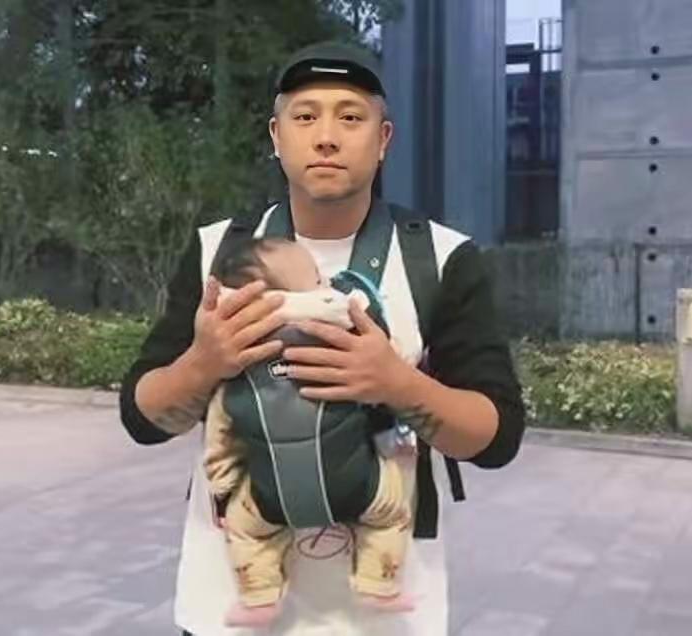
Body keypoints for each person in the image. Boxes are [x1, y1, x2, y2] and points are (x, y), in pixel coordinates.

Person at [120, 40, 525, 636]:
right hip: (227, 612)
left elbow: (497, 437)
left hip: (385, 617)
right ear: (276, 135)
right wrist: (203, 364)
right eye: (305, 116)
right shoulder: (218, 251)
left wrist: (396, 383)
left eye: (351, 117)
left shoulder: (441, 257)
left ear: (383, 139)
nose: (327, 137)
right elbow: (142, 417)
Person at [202, 237, 418, 629]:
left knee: (244, 529)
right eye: (317, 280)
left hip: (268, 497)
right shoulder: (344, 342)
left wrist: (223, 486)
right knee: (393, 512)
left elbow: (220, 436)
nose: (328, 285)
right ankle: (378, 584)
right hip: (359, 484)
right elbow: (398, 360)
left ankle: (258, 597)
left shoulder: (237, 365)